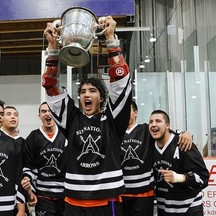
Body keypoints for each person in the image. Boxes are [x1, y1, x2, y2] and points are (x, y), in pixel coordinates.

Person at [41, 16, 131, 216]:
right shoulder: (71, 119)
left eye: (92, 91)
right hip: (74, 202)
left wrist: (110, 39)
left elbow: (121, 81)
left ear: (101, 97)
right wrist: (53, 48)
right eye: (82, 92)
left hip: (107, 202)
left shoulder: (113, 120)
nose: (86, 95)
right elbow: (50, 86)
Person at [121, 101, 193, 216]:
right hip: (121, 193)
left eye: (127, 110)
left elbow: (167, 132)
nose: (124, 113)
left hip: (144, 194)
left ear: (136, 113)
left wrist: (184, 133)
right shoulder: (115, 132)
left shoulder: (146, 129)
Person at [149, 110, 209, 216]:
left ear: (167, 126)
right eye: (151, 122)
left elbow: (203, 176)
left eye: (158, 121)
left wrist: (180, 178)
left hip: (188, 209)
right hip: (164, 209)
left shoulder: (183, 143)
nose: (153, 124)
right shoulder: (150, 146)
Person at [21, 102, 67, 216]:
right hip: (43, 196)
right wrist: (29, 186)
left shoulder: (66, 134)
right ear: (39, 116)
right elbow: (29, 167)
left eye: (50, 111)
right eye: (44, 111)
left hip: (66, 195)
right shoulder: (33, 137)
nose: (48, 113)